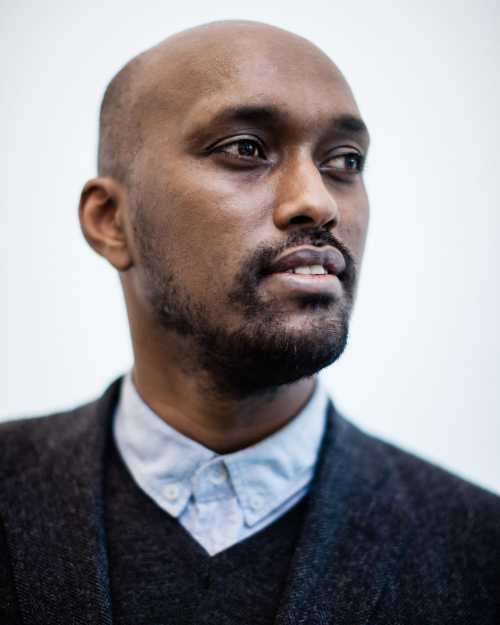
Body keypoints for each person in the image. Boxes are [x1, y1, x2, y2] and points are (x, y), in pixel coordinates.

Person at [1, 20, 499, 625]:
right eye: (245, 149)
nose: (317, 201)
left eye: (345, 160)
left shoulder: (480, 548)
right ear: (111, 221)